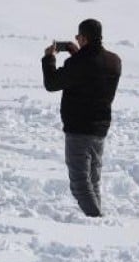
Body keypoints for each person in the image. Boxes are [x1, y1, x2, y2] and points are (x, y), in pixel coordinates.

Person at [41, 18, 122, 218]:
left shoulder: (78, 63)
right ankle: (96, 217)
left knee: (79, 184)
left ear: (84, 38)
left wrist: (49, 58)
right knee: (93, 181)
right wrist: (76, 52)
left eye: (78, 36)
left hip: (79, 130)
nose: (76, 39)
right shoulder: (114, 61)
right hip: (100, 129)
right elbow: (89, 71)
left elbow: (52, 83)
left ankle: (96, 221)